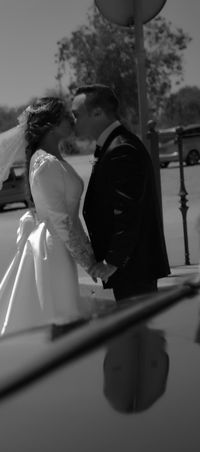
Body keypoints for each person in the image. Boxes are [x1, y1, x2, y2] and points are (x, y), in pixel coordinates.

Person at [0, 97, 112, 342]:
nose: (72, 121)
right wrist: (89, 261)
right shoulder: (45, 163)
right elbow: (61, 220)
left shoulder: (50, 158)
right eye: (66, 118)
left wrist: (89, 255)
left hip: (58, 245)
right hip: (52, 248)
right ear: (51, 125)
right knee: (57, 313)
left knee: (62, 312)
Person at [71, 84, 170, 301]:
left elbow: (127, 212)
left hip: (134, 269)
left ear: (97, 113)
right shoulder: (113, 144)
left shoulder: (121, 148)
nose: (74, 122)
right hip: (130, 269)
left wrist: (112, 262)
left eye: (77, 115)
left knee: (141, 332)